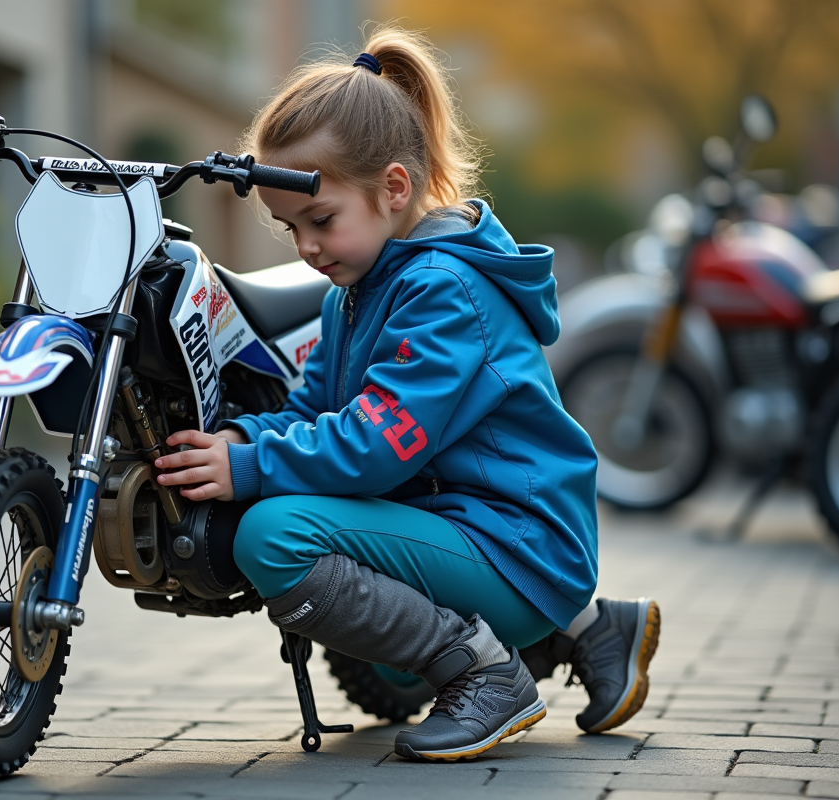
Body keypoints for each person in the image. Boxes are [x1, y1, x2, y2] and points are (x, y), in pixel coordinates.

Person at [153, 25, 660, 761]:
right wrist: (243, 440)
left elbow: (377, 444)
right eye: (290, 228)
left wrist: (251, 469)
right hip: (470, 530)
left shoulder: (443, 291)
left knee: (274, 538)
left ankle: (487, 676)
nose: (305, 247)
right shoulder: (352, 293)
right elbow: (313, 411)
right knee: (374, 640)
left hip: (519, 545)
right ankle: (589, 632)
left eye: (320, 220)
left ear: (393, 189)